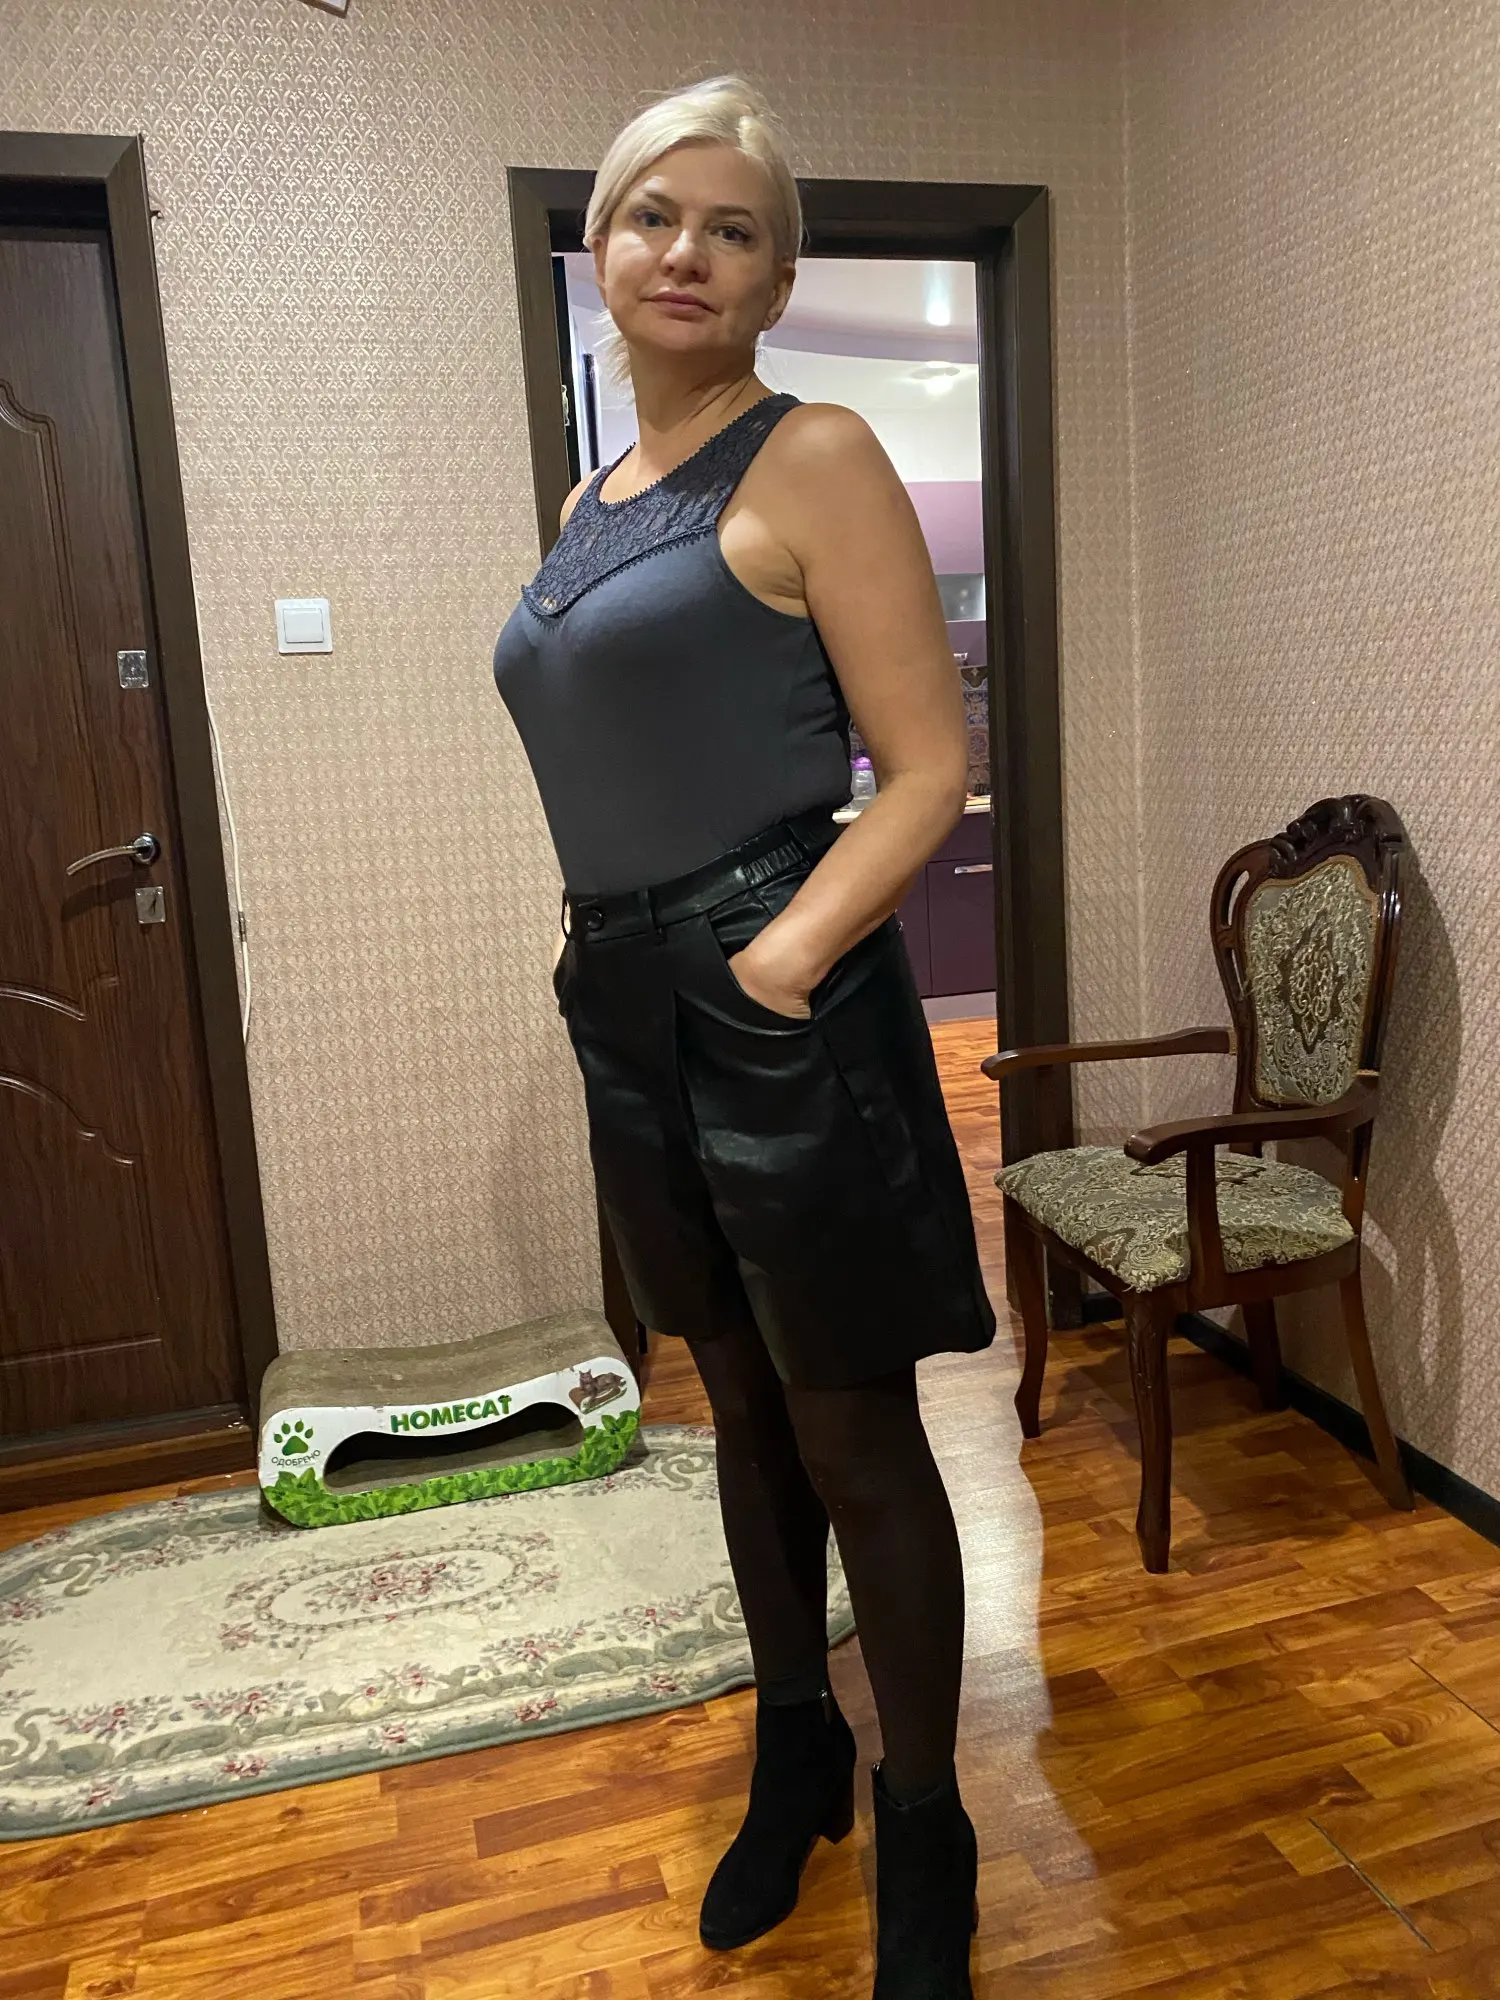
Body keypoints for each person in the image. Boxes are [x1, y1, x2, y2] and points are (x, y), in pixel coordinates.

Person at [493, 75, 995, 1999]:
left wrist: (772, 963)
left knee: (853, 1419)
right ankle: (799, 1756)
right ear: (600, 250)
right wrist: (626, 969)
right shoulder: (588, 504)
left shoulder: (819, 454)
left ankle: (928, 1829)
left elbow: (926, 768)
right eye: (654, 215)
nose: (687, 251)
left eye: (734, 228)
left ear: (779, 278)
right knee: (735, 1398)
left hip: (774, 981)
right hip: (623, 996)